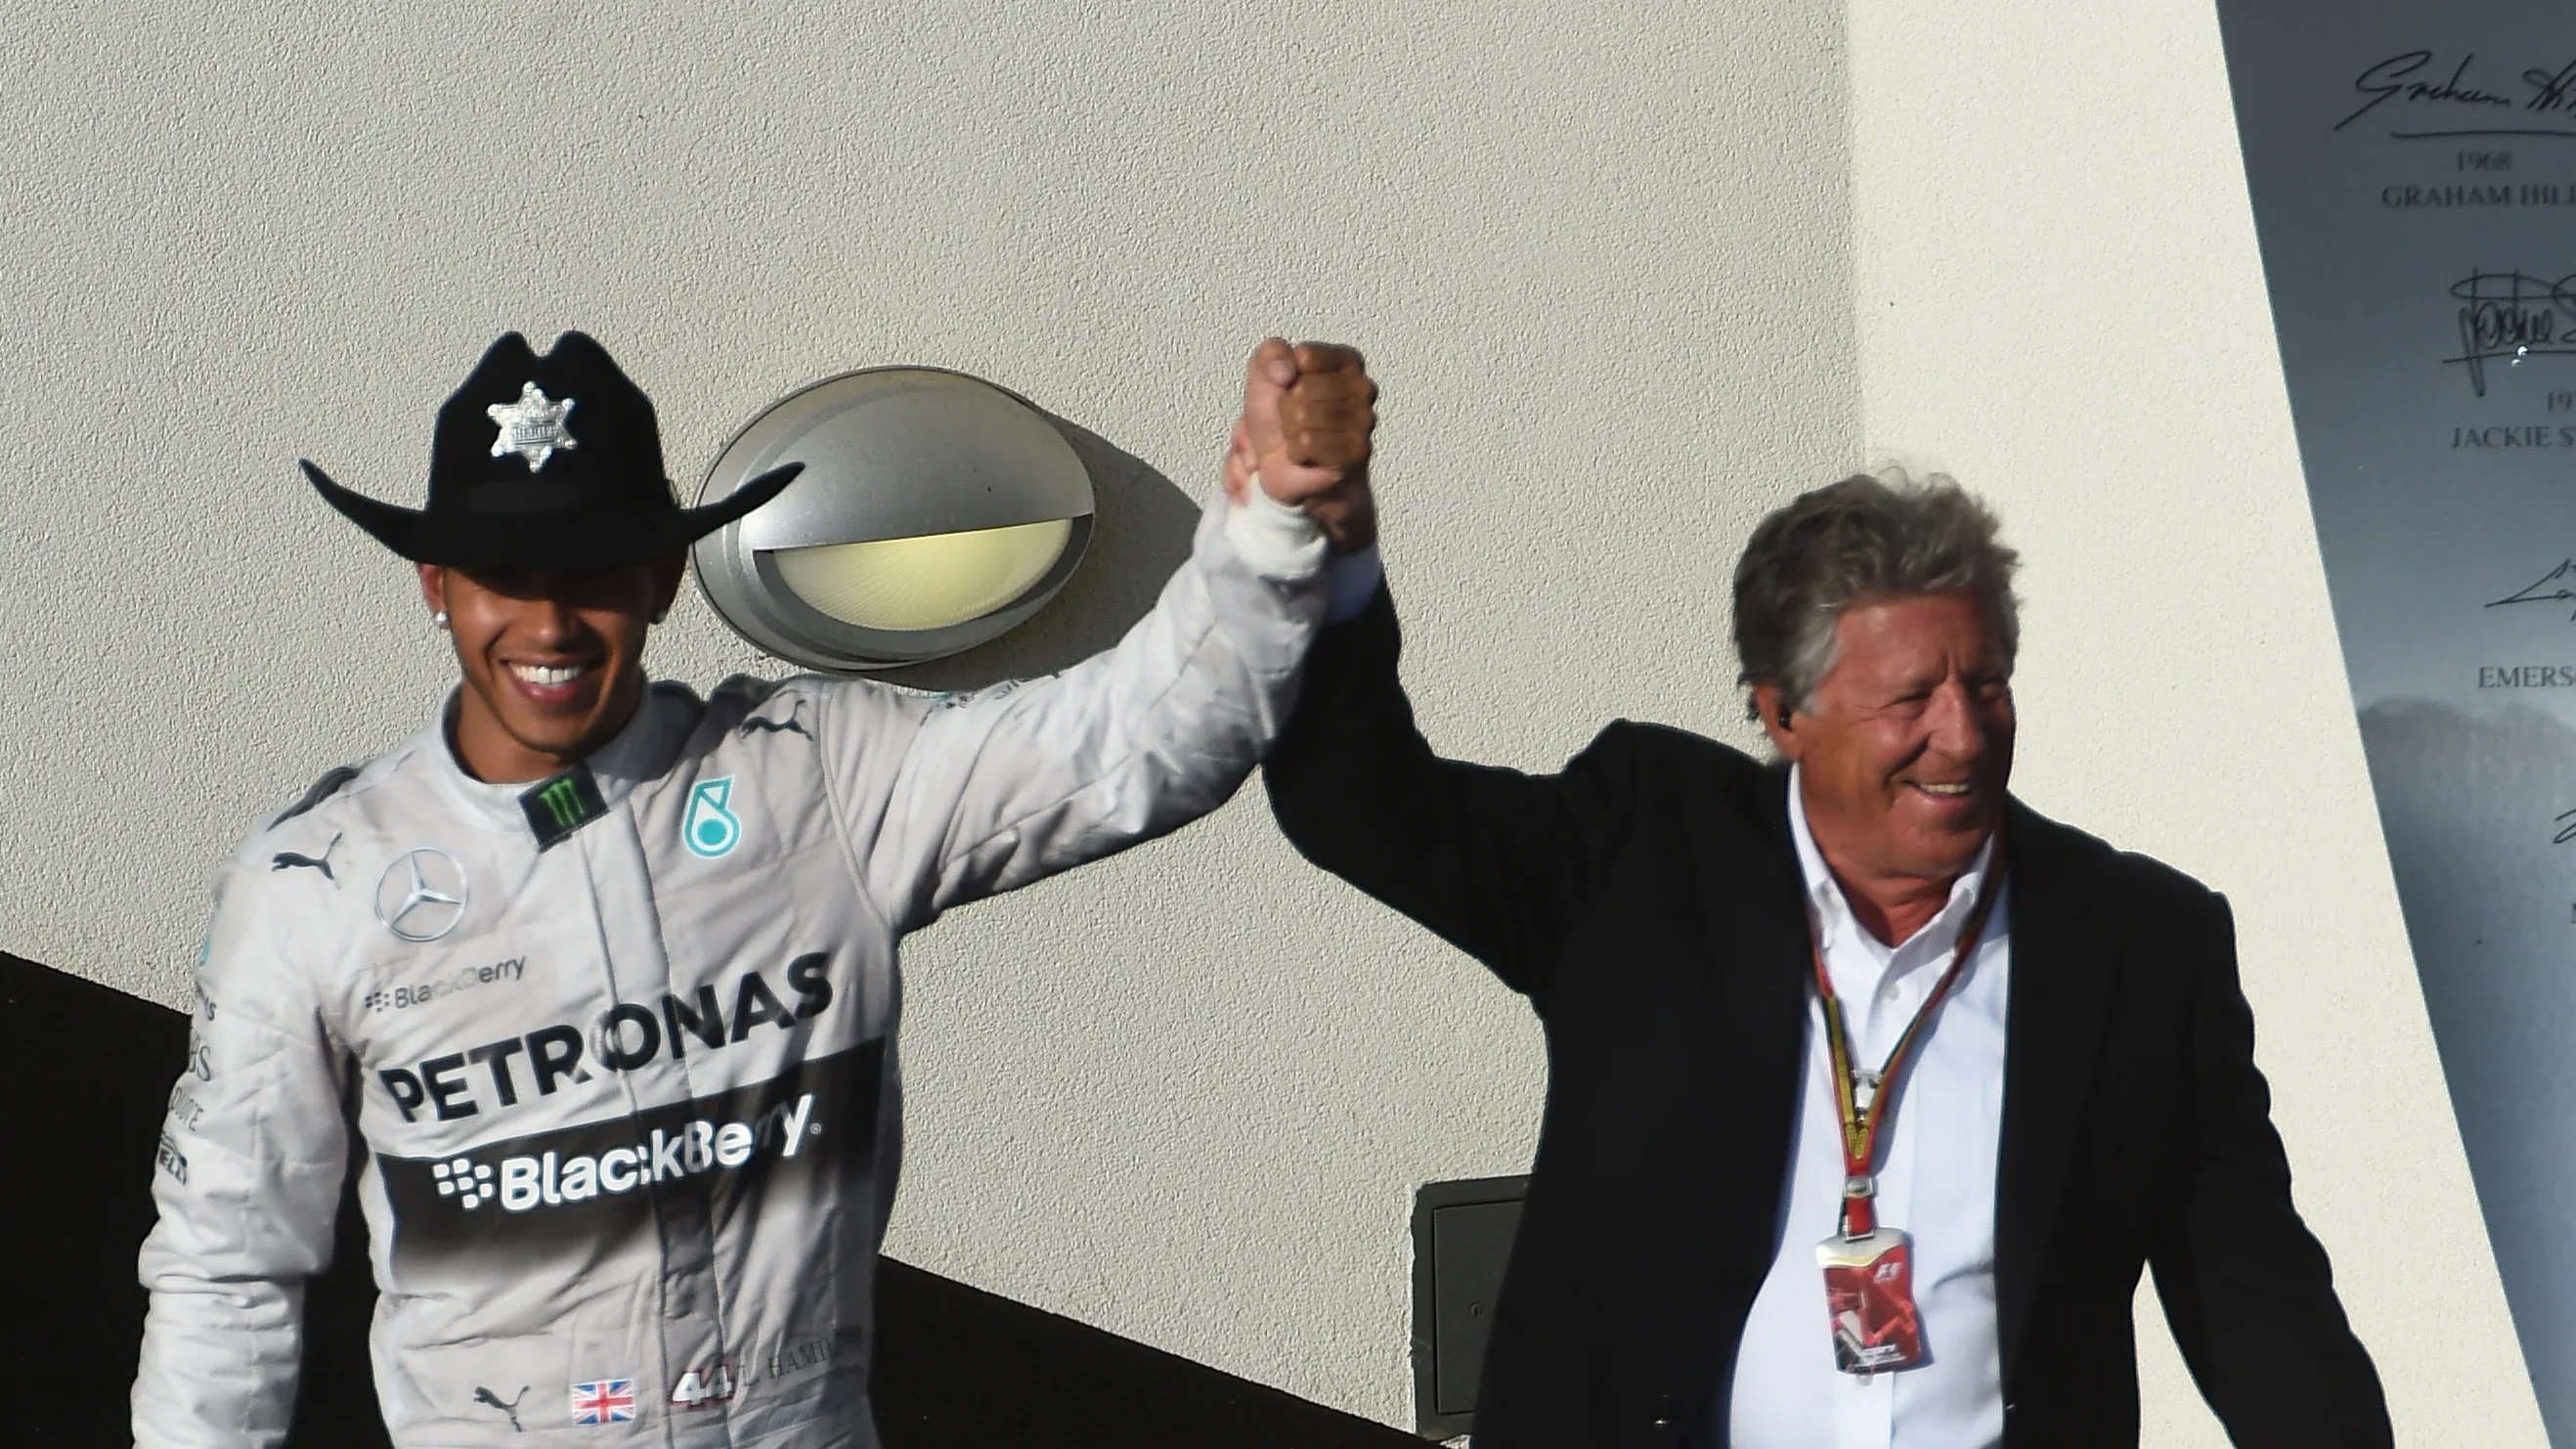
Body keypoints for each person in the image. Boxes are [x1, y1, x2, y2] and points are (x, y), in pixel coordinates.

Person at [132, 329, 1381, 1448]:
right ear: (435, 585)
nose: (552, 622)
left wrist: (1273, 524)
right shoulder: (316, 881)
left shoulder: (817, 777)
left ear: (667, 578)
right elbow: (225, 1265)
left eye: (597, 568)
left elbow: (1138, 744)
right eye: (507, 575)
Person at [1259, 471, 2393, 1448]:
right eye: (1911, 697)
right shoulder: (1639, 856)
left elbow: (2262, 1313)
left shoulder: (2138, 947)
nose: (1963, 732)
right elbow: (1360, 809)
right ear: (1782, 712)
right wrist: (1325, 552)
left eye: (1986, 683)